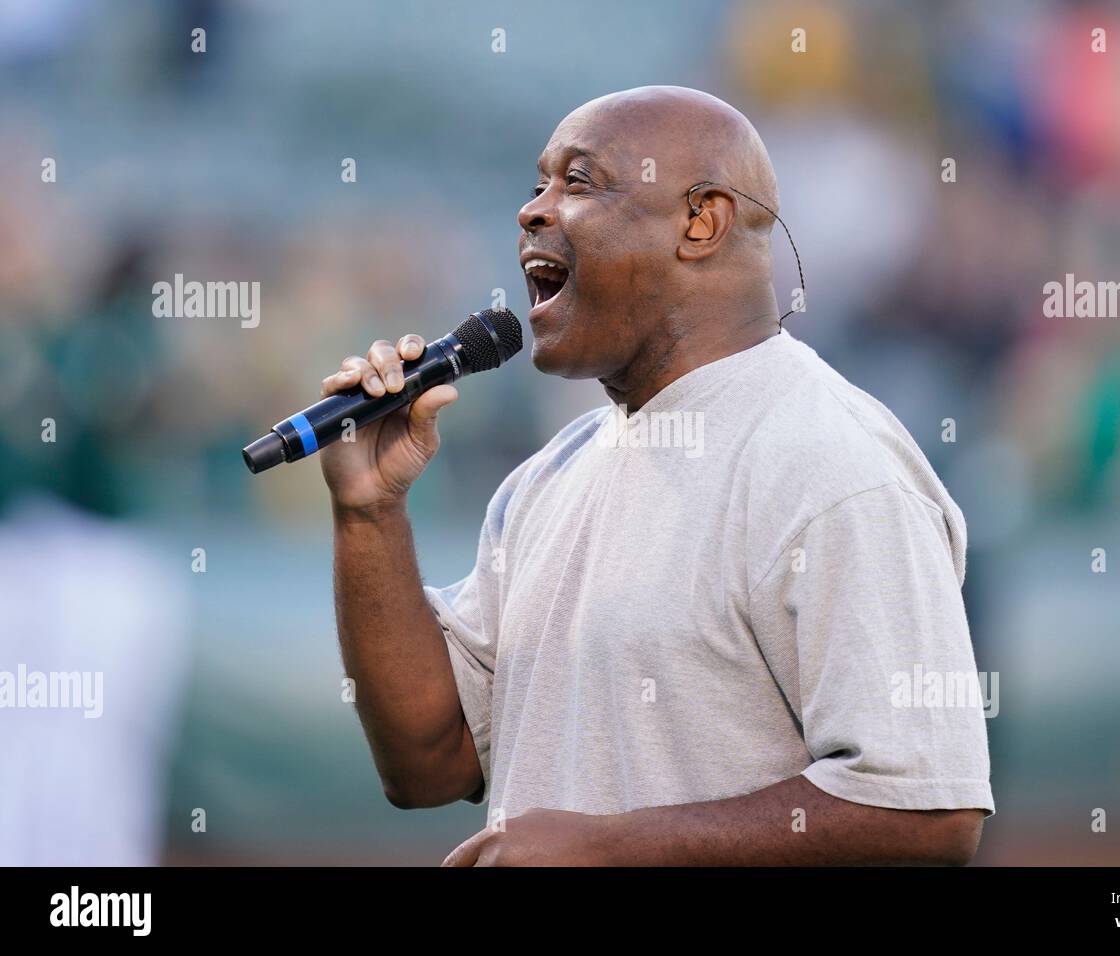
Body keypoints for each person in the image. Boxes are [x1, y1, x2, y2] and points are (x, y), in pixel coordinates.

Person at [320, 86, 993, 865]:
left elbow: (927, 812)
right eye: (536, 184)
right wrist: (369, 514)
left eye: (577, 183)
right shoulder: (549, 477)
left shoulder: (834, 464)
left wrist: (608, 851)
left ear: (700, 221)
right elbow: (428, 762)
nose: (532, 212)